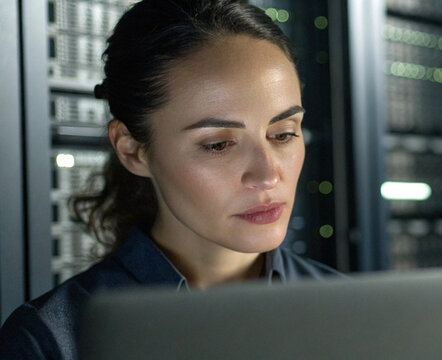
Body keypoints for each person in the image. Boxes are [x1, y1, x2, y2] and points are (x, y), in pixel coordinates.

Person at [0, 1, 343, 358]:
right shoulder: (52, 340)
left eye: (284, 134)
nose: (269, 174)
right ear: (133, 151)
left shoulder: (350, 312)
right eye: (219, 144)